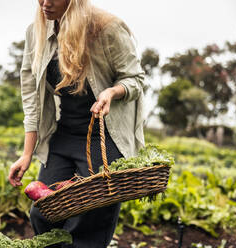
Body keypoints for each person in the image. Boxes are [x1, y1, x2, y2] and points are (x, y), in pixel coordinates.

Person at [8, 0, 146, 247]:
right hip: (65, 133)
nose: (45, 3)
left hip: (104, 137)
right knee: (45, 213)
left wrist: (111, 93)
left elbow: (135, 78)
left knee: (89, 221)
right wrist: (27, 153)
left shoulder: (106, 27)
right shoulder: (37, 31)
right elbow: (31, 95)